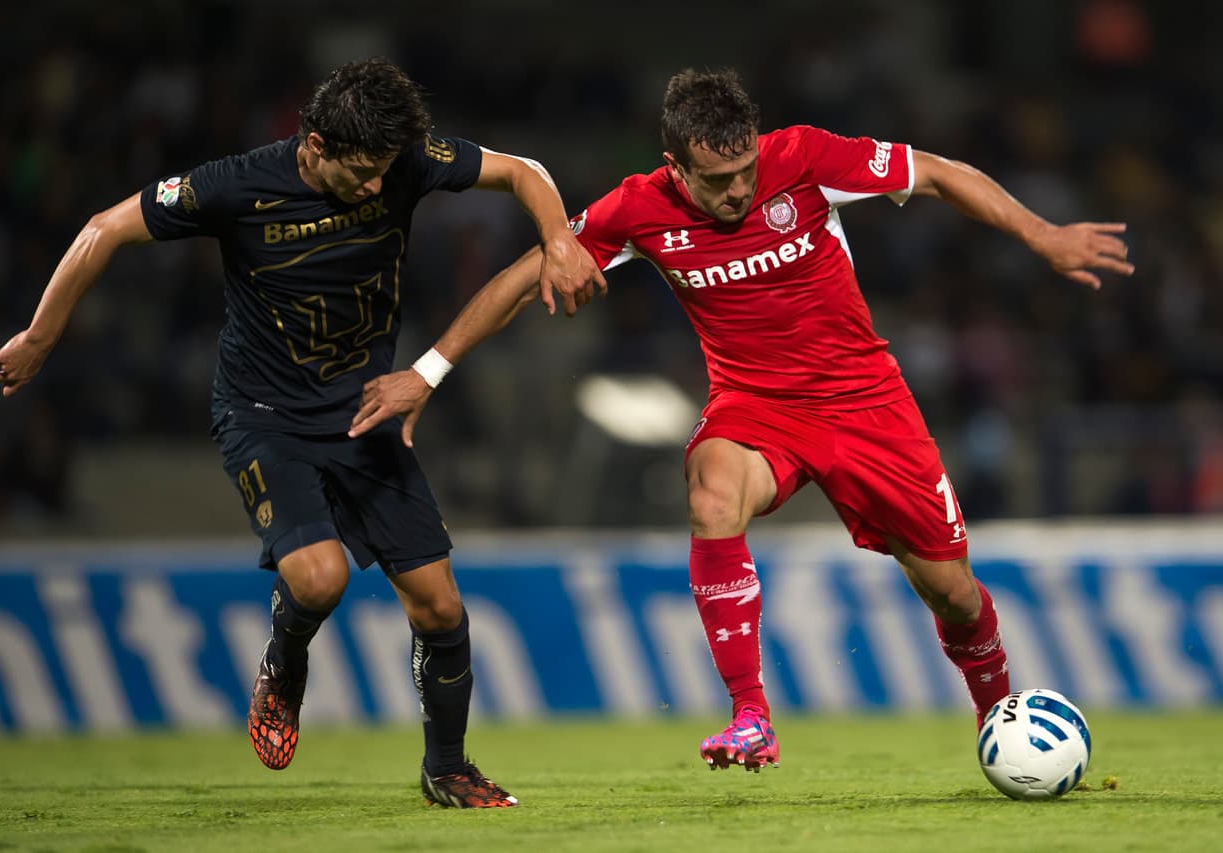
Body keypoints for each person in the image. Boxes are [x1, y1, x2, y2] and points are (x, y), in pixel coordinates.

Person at [348, 67, 1135, 773]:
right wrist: (427, 371)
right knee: (711, 491)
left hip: (866, 403)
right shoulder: (639, 208)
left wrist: (1043, 235)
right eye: (719, 180)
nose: (739, 191)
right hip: (755, 406)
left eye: (746, 170)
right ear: (675, 167)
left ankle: (997, 708)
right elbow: (525, 277)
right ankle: (751, 715)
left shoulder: (806, 157)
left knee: (954, 594)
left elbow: (935, 173)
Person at [0, 57, 605, 807]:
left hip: (366, 409)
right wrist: (43, 337)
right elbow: (103, 228)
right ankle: (284, 660)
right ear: (312, 145)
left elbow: (524, 171)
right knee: (319, 577)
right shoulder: (233, 184)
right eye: (362, 172)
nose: (377, 187)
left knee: (440, 607)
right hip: (263, 414)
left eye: (384, 172)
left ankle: (448, 768)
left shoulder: (406, 161)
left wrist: (558, 241)